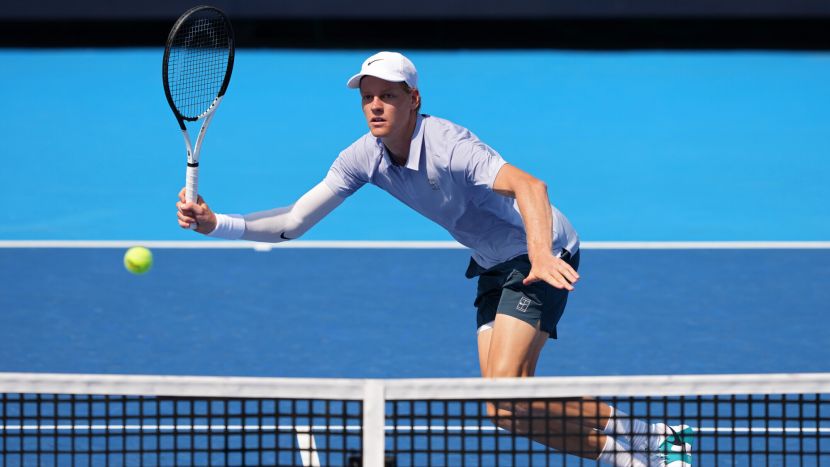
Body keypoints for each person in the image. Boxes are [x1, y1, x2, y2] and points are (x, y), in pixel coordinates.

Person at [176, 51, 692, 466]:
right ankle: (633, 458)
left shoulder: (450, 146)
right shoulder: (362, 157)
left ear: (413, 99)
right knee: (503, 410)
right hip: (492, 262)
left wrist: (539, 255)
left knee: (508, 393)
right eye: (368, 97)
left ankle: (654, 435)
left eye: (388, 96)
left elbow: (531, 187)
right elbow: (293, 222)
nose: (375, 106)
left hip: (540, 249)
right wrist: (217, 223)